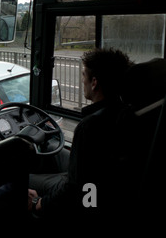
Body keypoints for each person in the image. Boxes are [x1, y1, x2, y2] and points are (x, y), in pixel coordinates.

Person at [28, 48, 134, 223]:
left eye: (84, 75)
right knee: (56, 149)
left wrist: (39, 203)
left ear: (94, 83)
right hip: (106, 189)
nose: (82, 79)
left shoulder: (90, 126)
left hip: (88, 198)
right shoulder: (126, 112)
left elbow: (77, 189)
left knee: (22, 177)